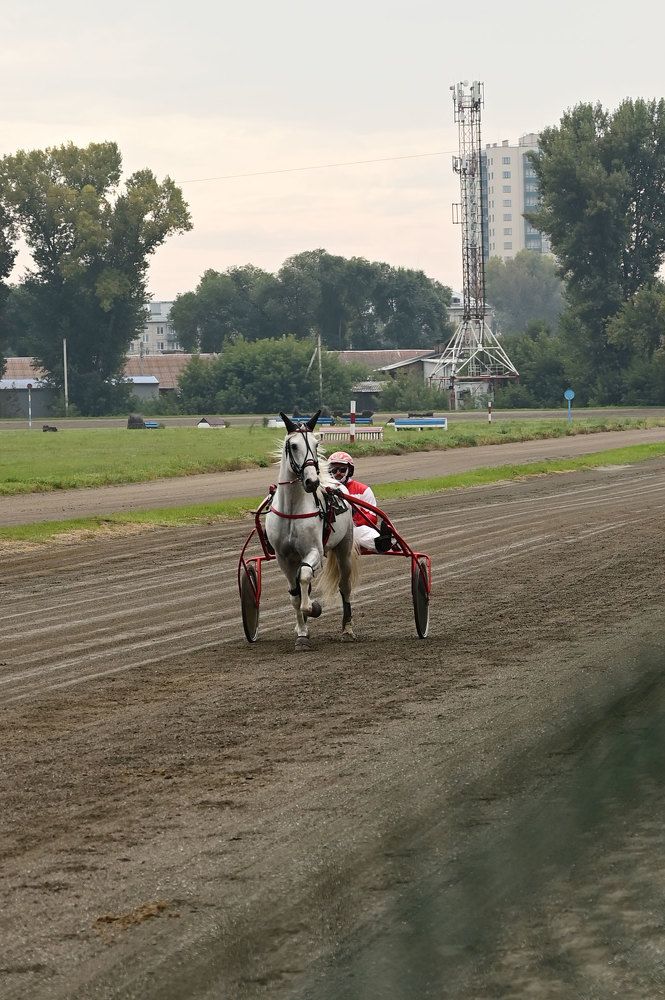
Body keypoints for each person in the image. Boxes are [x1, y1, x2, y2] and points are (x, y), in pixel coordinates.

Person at [328, 451, 393, 552]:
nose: (338, 473)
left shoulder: (363, 490)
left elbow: (372, 516)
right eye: (334, 470)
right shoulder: (323, 490)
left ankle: (382, 542)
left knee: (364, 532)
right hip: (330, 532)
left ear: (349, 471)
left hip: (354, 530)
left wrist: (353, 522)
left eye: (342, 470)